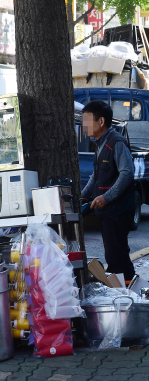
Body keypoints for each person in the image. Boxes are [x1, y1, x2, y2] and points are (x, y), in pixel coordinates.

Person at [82, 100, 136, 281]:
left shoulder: (116, 142)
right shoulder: (99, 143)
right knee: (114, 255)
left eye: (87, 120)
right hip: (107, 212)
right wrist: (83, 194)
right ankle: (123, 291)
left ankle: (128, 295)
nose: (84, 125)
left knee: (117, 256)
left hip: (118, 210)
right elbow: (96, 176)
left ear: (101, 121)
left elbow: (127, 173)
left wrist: (107, 197)